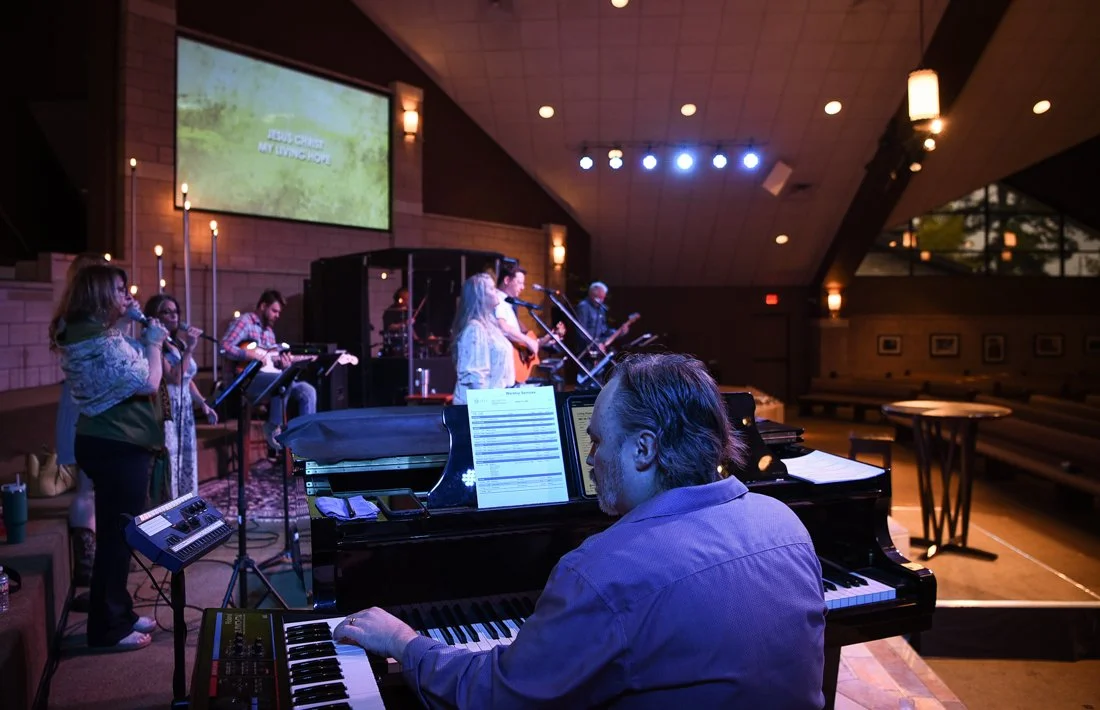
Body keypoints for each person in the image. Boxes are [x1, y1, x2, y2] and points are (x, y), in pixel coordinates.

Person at [333, 353, 827, 707]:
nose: (587, 459)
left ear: (644, 449)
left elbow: (496, 694)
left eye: (594, 440)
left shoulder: (603, 570)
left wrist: (405, 642)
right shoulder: (784, 522)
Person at [50, 264, 169, 652]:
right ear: (100, 295)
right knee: (117, 541)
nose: (127, 296)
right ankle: (107, 627)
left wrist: (137, 320)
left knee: (119, 538)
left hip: (113, 442)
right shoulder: (97, 342)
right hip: (116, 445)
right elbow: (150, 381)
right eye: (120, 290)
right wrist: (152, 341)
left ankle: (120, 609)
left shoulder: (93, 334)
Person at [54, 252, 106, 590]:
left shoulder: (68, 316)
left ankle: (91, 562)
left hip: (77, 405)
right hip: (86, 408)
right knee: (88, 488)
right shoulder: (85, 321)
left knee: (91, 488)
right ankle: (87, 566)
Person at [220, 289, 316, 450]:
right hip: (247, 381)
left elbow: (271, 362)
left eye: (279, 312)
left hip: (271, 381)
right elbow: (223, 347)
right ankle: (273, 425)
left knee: (308, 390)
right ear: (263, 306)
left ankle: (306, 438)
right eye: (274, 311)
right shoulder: (245, 322)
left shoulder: (270, 332)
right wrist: (247, 354)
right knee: (282, 382)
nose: (277, 315)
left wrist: (284, 364)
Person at [145, 294, 217, 499]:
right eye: (165, 312)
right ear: (154, 316)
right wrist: (191, 349)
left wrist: (203, 403)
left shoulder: (179, 344)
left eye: (175, 312)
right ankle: (170, 505)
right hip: (167, 407)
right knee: (172, 458)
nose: (172, 316)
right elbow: (175, 377)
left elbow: (187, 379)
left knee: (186, 459)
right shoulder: (155, 345)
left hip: (184, 408)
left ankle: (186, 504)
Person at [450, 272, 515, 405]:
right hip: (479, 408)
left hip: (496, 401)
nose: (496, 291)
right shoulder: (475, 329)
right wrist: (484, 411)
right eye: (491, 288)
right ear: (480, 296)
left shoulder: (491, 324)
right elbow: (476, 377)